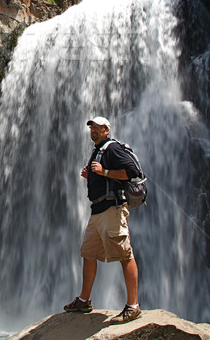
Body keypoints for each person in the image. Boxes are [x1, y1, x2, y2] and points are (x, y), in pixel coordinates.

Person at [63, 116, 141, 324]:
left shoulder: (112, 148)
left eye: (98, 128)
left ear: (107, 130)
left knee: (125, 254)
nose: (94, 131)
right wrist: (92, 176)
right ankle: (84, 300)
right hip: (97, 211)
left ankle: (133, 305)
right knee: (88, 253)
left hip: (112, 209)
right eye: (92, 128)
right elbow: (106, 177)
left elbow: (131, 171)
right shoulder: (98, 150)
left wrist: (104, 171)